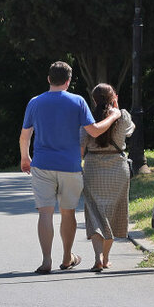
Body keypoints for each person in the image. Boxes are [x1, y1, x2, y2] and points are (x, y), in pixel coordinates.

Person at [19, 61, 120, 274]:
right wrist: (113, 116)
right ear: (68, 81)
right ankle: (66, 257)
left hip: (43, 164)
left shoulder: (34, 102)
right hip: (70, 166)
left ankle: (46, 260)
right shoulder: (78, 101)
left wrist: (25, 157)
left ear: (49, 79)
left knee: (45, 213)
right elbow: (93, 131)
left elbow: (25, 135)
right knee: (68, 213)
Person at [81, 83, 135, 272]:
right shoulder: (123, 115)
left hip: (93, 168)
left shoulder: (88, 118)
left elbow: (81, 145)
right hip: (117, 168)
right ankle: (106, 258)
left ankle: (97, 257)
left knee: (95, 214)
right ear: (114, 98)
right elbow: (129, 131)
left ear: (94, 99)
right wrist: (116, 108)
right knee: (111, 214)